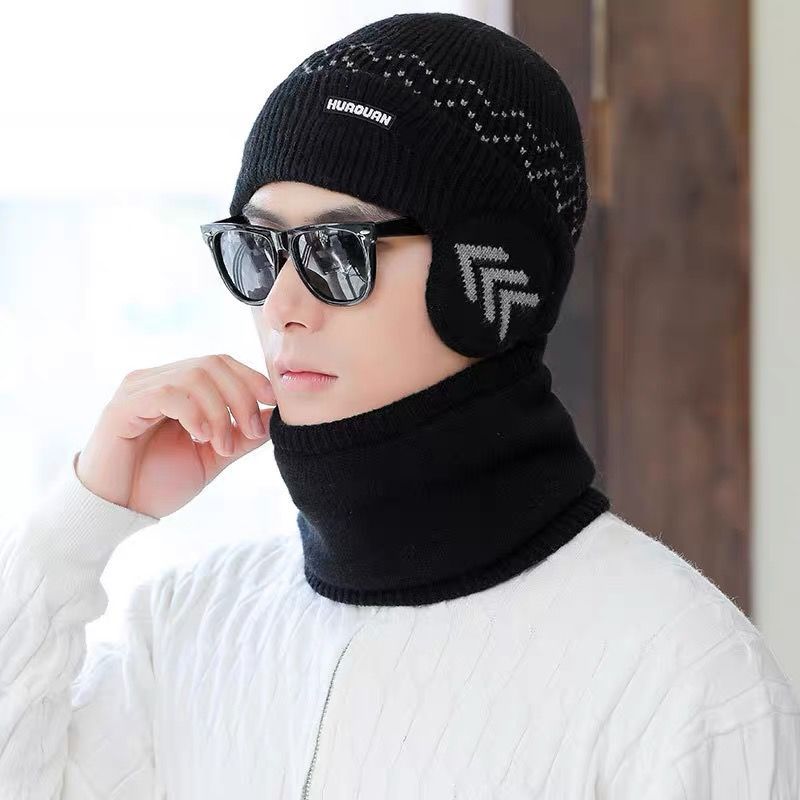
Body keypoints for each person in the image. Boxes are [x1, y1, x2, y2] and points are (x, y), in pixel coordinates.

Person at [1, 11, 798, 800]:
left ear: (494, 280)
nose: (281, 306)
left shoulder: (679, 681)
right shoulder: (188, 628)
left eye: (337, 251)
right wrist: (81, 518)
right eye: (260, 248)